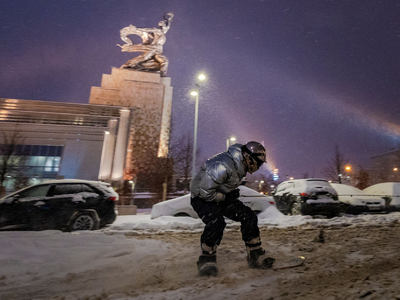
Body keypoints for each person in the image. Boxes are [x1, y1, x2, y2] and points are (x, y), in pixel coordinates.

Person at [190, 141, 275, 276]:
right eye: (257, 163)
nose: (258, 167)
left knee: (249, 216)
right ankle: (206, 260)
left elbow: (221, 187)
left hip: (217, 195)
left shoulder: (239, 166)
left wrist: (228, 194)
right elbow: (204, 191)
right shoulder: (223, 165)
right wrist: (226, 196)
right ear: (248, 157)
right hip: (201, 197)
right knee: (216, 222)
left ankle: (255, 255)